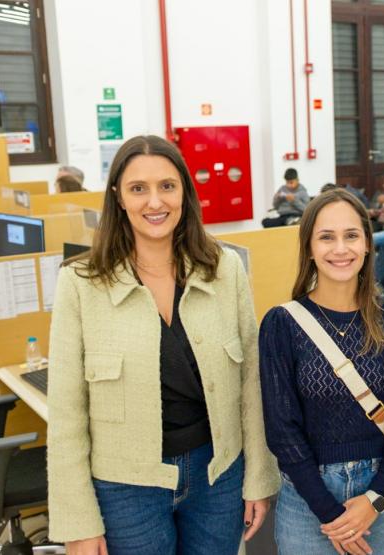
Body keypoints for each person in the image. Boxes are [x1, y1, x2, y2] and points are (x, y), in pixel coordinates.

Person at [47, 135, 279, 555]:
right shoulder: (81, 284)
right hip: (126, 489)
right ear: (118, 196)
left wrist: (258, 477)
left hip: (218, 476)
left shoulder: (223, 269)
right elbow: (66, 414)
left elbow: (251, 383)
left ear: (184, 193)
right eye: (139, 189)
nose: (155, 202)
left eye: (167, 186)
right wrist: (78, 521)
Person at [259, 188, 384, 555]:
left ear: (367, 243)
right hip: (307, 500)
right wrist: (331, 516)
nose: (340, 249)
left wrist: (376, 498)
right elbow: (282, 431)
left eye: (351, 235)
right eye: (326, 237)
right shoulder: (282, 324)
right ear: (309, 248)